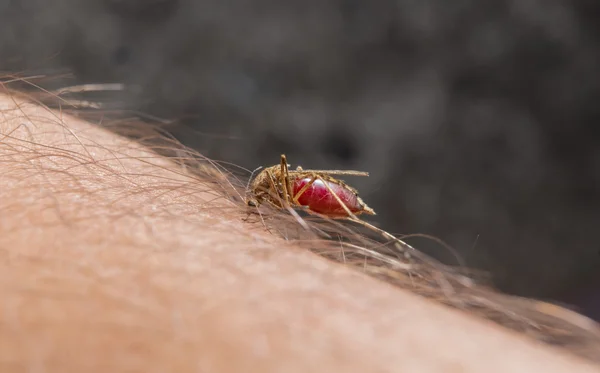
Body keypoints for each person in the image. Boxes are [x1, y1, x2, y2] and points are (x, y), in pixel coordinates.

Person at [0, 89, 596, 372]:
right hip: (317, 196)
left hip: (318, 195)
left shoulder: (278, 186)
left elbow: (282, 187)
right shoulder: (276, 188)